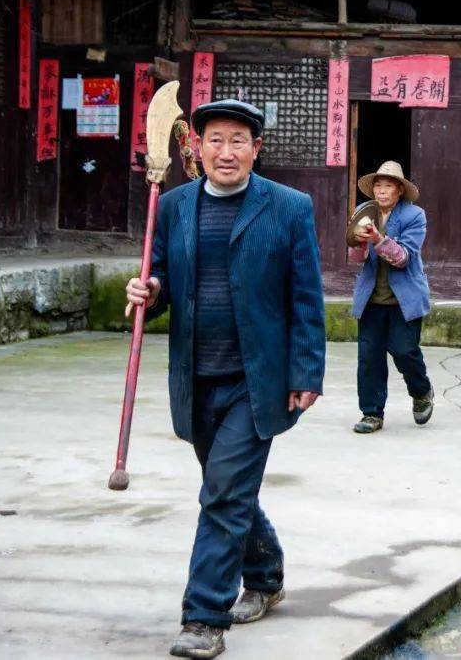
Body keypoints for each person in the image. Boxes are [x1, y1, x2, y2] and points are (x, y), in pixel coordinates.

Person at [125, 99, 326, 659]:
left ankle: (204, 616)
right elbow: (160, 276)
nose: (227, 151)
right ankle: (264, 576)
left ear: (256, 150)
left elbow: (306, 296)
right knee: (229, 491)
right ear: (195, 148)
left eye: (239, 140)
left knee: (221, 494)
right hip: (197, 376)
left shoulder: (288, 208)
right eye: (215, 139)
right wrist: (148, 292)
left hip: (256, 380)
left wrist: (307, 370)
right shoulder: (173, 207)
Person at [349, 161, 434, 434]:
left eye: (388, 186)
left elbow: (403, 258)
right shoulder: (364, 213)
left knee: (404, 350)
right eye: (378, 185)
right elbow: (354, 257)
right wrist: (361, 241)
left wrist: (377, 239)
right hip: (372, 298)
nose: (382, 191)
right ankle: (371, 413)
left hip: (404, 299)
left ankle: (421, 391)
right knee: (369, 357)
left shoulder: (414, 216)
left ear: (399, 190)